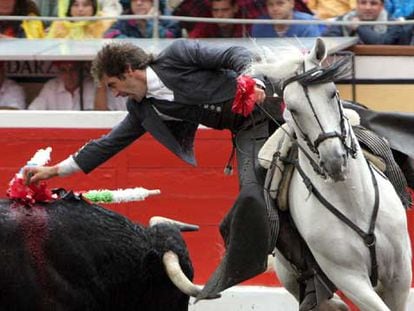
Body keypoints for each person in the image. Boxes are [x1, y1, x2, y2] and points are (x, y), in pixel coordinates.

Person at [323, 0, 408, 44]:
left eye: (373, 3)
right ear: (357, 5)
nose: (368, 7)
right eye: (363, 3)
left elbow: (381, 43)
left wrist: (359, 27)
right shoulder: (345, 19)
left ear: (382, 6)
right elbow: (329, 41)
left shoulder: (393, 24)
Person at [28, 61, 95, 110]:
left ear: (80, 70)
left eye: (73, 69)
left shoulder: (91, 86)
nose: (69, 75)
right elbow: (33, 111)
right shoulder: (51, 86)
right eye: (63, 70)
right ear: (59, 72)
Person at [103, 0, 181, 38]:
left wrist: (151, 21)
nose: (138, 3)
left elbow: (170, 37)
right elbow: (109, 34)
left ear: (154, 3)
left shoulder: (168, 19)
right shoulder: (126, 20)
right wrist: (133, 44)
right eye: (134, 0)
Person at [251, 0, 322, 38]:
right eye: (270, 4)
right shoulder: (260, 25)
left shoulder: (306, 23)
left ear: (292, 3)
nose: (275, 8)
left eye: (280, 3)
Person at [46, 0, 113, 39]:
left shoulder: (105, 24)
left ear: (94, 7)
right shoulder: (58, 25)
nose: (80, 9)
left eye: (86, 5)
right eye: (75, 5)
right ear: (69, 9)